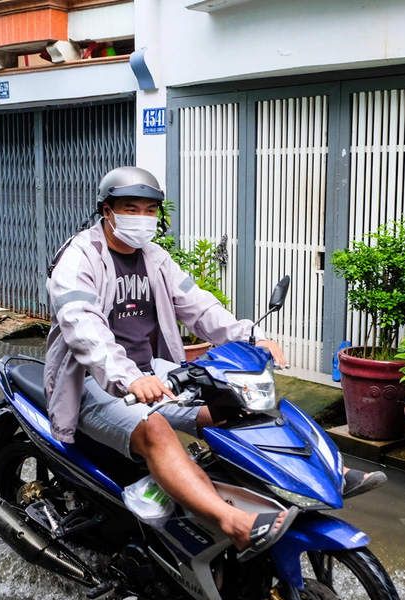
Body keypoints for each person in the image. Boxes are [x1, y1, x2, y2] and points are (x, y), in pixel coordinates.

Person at [44, 166, 385, 559]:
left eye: (149, 210)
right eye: (130, 208)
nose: (141, 218)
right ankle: (232, 523)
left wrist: (249, 337)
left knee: (237, 406)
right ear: (107, 211)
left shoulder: (154, 257)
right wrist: (127, 377)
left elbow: (200, 306)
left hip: (151, 375)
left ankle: (323, 475)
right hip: (93, 381)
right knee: (156, 431)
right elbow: (81, 323)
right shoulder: (78, 258)